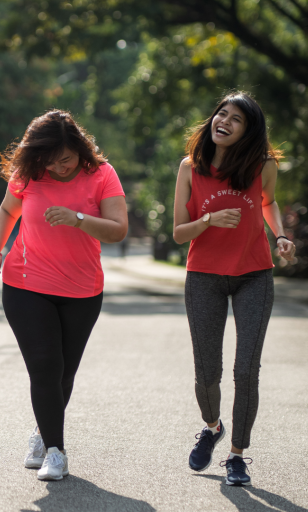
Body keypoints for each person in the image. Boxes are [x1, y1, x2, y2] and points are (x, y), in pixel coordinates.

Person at [0, 110, 128, 481]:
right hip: (25, 284)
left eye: (64, 159)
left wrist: (77, 218)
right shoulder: (28, 174)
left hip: (82, 290)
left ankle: (40, 432)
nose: (58, 168)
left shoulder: (102, 175)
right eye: (50, 161)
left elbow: (117, 231)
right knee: (45, 366)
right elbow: (6, 209)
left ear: (79, 148)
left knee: (64, 373)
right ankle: (55, 451)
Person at [173, 92, 296, 486]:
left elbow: (268, 202)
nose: (223, 121)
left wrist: (279, 235)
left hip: (254, 275)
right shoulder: (191, 169)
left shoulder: (264, 165)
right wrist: (208, 219)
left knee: (247, 371)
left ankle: (237, 455)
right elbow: (178, 233)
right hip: (204, 277)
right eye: (220, 113)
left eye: (236, 118)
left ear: (249, 130)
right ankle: (212, 427)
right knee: (207, 372)